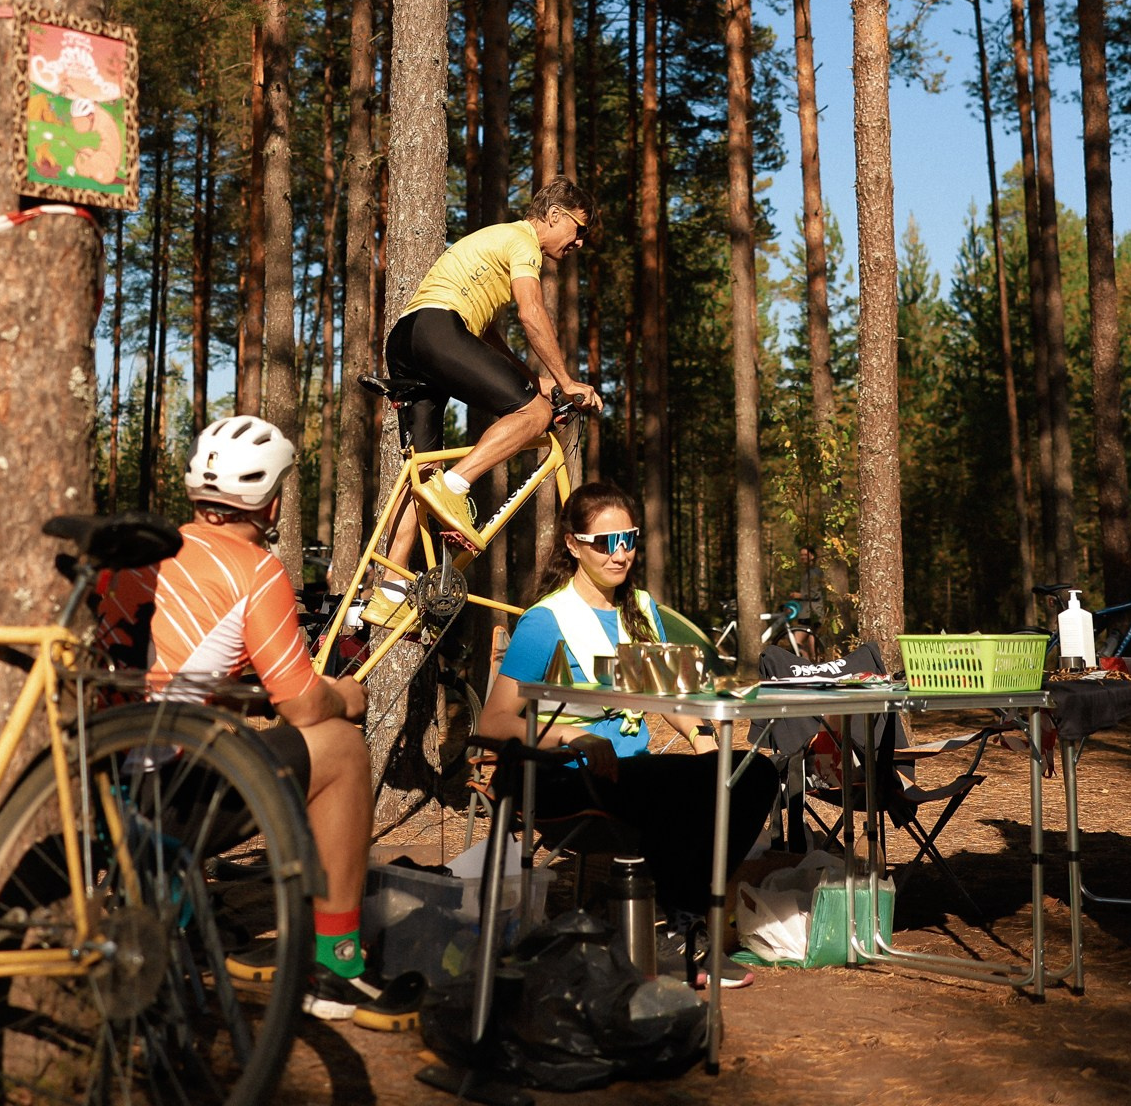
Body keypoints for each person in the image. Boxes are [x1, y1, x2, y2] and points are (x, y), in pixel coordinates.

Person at [96, 416, 419, 1028]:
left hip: (105, 788)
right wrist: (346, 696)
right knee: (342, 749)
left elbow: (173, 679)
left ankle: (179, 916)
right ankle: (338, 967)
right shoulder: (254, 568)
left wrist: (254, 697)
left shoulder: (144, 553)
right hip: (169, 798)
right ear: (271, 502)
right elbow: (302, 705)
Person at [476, 479, 778, 957]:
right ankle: (682, 925)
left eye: (629, 540)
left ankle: (685, 917)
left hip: (631, 775)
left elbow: (673, 697)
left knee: (753, 773)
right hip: (564, 779)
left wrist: (705, 742)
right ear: (573, 546)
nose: (620, 555)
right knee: (669, 788)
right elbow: (493, 723)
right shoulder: (544, 621)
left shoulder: (641, 610)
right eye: (604, 543)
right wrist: (572, 734)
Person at [381, 179, 601, 561]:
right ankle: (455, 485)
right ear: (552, 215)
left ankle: (386, 588)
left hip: (407, 338)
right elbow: (531, 313)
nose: (580, 242)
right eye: (580, 230)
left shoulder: (494, 243)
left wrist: (537, 380)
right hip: (439, 329)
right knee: (535, 413)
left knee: (424, 469)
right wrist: (565, 383)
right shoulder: (522, 241)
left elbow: (484, 337)